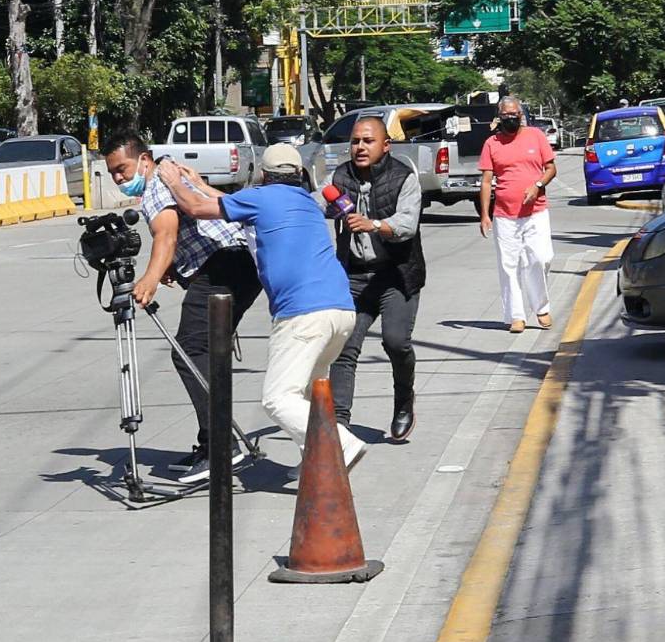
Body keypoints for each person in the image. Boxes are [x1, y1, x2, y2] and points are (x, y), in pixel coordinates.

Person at [155, 144, 368, 477]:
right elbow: (235, 203)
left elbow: (195, 207)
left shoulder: (263, 199)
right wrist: (199, 182)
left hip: (303, 313)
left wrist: (175, 181)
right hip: (340, 310)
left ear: (264, 176)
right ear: (298, 175)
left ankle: (339, 444)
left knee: (278, 399)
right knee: (310, 393)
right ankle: (318, 462)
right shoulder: (306, 202)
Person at [103, 132, 263, 484]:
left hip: (224, 266)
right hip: (238, 266)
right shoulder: (168, 174)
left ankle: (222, 448)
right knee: (207, 356)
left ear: (143, 159)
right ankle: (212, 443)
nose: (119, 178)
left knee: (189, 351)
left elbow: (166, 235)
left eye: (123, 169)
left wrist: (149, 280)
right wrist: (173, 265)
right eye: (112, 173)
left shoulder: (159, 180)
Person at [321, 116, 425, 442]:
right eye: (355, 141)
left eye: (368, 141)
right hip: (353, 276)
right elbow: (315, 203)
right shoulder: (340, 177)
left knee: (395, 342)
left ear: (385, 146)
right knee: (343, 347)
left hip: (396, 274)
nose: (360, 147)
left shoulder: (403, 178)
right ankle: (340, 426)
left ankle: (404, 400)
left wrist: (375, 225)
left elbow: (407, 224)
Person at [478, 95, 558, 333]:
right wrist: (485, 214)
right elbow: (486, 181)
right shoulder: (492, 143)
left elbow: (551, 168)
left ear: (521, 116)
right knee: (508, 265)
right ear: (499, 117)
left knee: (541, 258)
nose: (510, 119)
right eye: (506, 116)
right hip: (504, 215)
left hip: (536, 211)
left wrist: (537, 186)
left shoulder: (536, 136)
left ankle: (541, 306)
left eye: (514, 115)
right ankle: (516, 316)